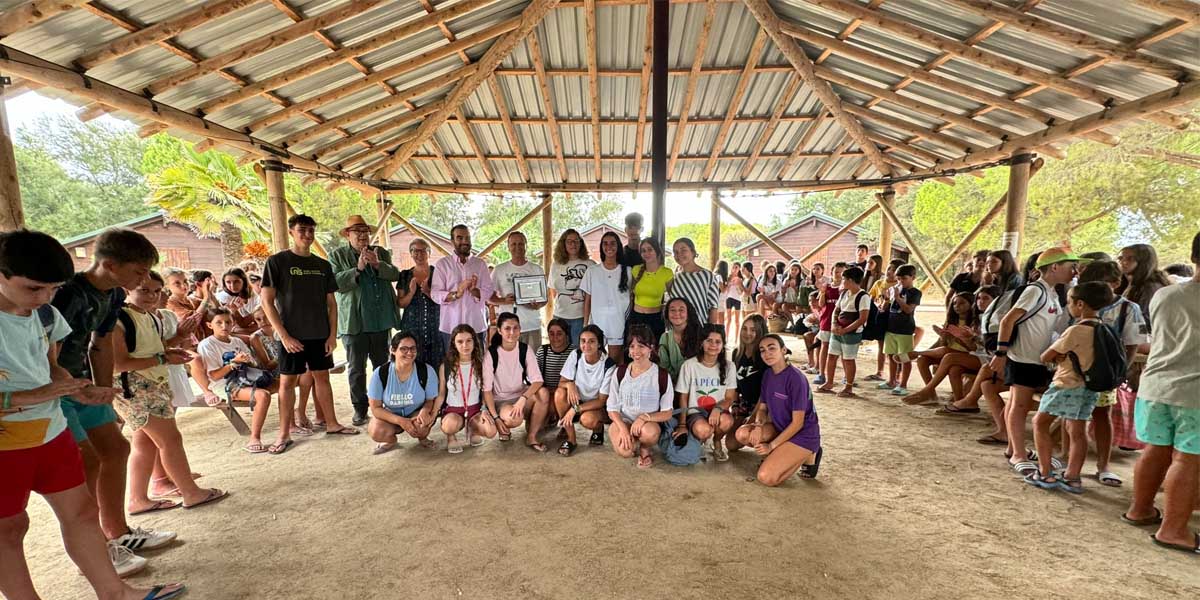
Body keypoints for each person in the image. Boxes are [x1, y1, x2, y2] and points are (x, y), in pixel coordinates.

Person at [1, 231, 187, 600]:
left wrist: (78, 390)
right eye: (34, 288)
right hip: (7, 442)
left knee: (83, 512)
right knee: (9, 528)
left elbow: (52, 366)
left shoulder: (46, 314)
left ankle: (114, 592)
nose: (45, 298)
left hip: (50, 430)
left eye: (53, 289)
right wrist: (30, 396)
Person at [49, 228, 177, 569]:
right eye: (138, 272)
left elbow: (100, 344)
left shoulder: (113, 295)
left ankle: (118, 532)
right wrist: (72, 386)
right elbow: (50, 351)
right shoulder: (69, 294)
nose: (143, 280)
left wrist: (104, 392)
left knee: (117, 449)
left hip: (85, 385)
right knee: (87, 461)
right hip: (59, 389)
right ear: (109, 265)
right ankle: (96, 548)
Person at [113, 273, 227, 515]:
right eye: (144, 290)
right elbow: (118, 363)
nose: (152, 296)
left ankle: (137, 498)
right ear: (127, 288)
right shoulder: (118, 319)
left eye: (156, 291)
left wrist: (178, 340)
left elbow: (154, 348)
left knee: (145, 442)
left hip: (154, 383)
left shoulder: (150, 317)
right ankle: (190, 492)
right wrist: (163, 358)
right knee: (170, 439)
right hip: (135, 387)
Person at [1122, 232, 1199, 554]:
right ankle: (1173, 529)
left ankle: (1140, 509)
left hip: (1155, 385)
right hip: (1193, 392)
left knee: (1155, 449)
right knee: (1188, 459)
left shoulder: (1165, 295)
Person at [260, 214, 357, 451]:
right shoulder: (277, 262)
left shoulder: (322, 265)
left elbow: (332, 304)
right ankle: (283, 433)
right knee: (287, 382)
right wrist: (284, 336)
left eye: (311, 230)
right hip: (291, 335)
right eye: (302, 230)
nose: (307, 234)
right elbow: (266, 302)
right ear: (291, 232)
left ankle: (332, 423)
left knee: (322, 378)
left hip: (319, 333)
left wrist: (332, 335)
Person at [989, 248, 1078, 475]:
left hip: (1034, 358)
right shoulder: (1035, 290)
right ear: (1055, 267)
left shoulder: (1051, 293)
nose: (1074, 271)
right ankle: (1018, 454)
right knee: (1020, 406)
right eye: (1071, 266)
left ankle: (1013, 448)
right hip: (1023, 357)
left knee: (1015, 403)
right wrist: (1001, 353)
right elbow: (1008, 320)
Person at [1026, 282, 1114, 493]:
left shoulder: (1076, 330)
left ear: (1080, 304)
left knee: (1040, 422)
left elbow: (1046, 356)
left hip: (1066, 384)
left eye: (1070, 302)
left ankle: (1045, 473)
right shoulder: (1105, 329)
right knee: (1078, 431)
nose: (1069, 307)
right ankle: (1073, 477)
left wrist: (1059, 356)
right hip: (1090, 388)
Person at [1077, 260, 1148, 486]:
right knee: (1071, 417)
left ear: (1116, 283)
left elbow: (1132, 344)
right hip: (1075, 372)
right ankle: (1068, 460)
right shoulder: (1079, 302)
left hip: (1105, 374)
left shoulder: (1128, 309)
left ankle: (1103, 465)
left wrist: (1119, 373)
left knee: (1102, 415)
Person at [330, 214, 401, 426]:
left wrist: (377, 264)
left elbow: (395, 274)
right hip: (354, 323)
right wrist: (358, 268)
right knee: (356, 369)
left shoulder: (381, 252)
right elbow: (335, 283)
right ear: (348, 235)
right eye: (357, 231)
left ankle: (385, 405)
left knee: (383, 366)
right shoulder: (337, 255)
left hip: (379, 321)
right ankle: (360, 409)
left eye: (365, 231)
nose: (362, 235)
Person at [735, 334, 822, 485]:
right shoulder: (768, 374)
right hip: (780, 428)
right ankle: (783, 452)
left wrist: (771, 446)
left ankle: (809, 453)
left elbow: (798, 423)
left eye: (772, 348)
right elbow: (762, 408)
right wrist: (758, 425)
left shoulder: (796, 379)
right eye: (762, 350)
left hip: (802, 434)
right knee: (742, 434)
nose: (767, 353)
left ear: (783, 350)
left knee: (766, 477)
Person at [199, 309, 281, 452]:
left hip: (246, 377)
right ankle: (254, 438)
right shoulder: (207, 345)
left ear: (233, 323)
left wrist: (249, 361)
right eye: (219, 323)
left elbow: (253, 365)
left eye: (228, 322)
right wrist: (234, 363)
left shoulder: (236, 341)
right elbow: (214, 376)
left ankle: (290, 424)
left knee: (285, 384)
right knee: (263, 395)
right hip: (225, 383)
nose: (224, 326)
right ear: (209, 325)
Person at [603, 324, 674, 469]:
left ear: (651, 348)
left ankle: (645, 448)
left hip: (648, 423)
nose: (636, 351)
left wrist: (644, 418)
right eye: (632, 346)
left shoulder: (661, 375)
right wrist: (623, 429)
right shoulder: (620, 372)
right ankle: (631, 440)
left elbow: (667, 413)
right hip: (624, 420)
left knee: (650, 433)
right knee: (626, 452)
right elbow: (611, 408)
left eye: (641, 346)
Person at [484, 313, 550, 451]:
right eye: (507, 328)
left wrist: (523, 398)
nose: (512, 332)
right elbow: (487, 390)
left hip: (520, 396)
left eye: (516, 328)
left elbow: (537, 381)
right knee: (514, 418)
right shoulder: (491, 354)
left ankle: (531, 436)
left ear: (520, 329)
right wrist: (496, 418)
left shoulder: (524, 349)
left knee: (543, 393)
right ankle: (504, 425)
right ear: (499, 330)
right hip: (501, 401)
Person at [427, 324, 497, 453]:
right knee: (450, 425)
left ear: (474, 342)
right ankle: (451, 437)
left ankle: (473, 429)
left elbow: (486, 391)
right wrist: (434, 413)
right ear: (454, 344)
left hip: (475, 410)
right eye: (460, 341)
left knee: (491, 431)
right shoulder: (446, 366)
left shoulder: (481, 364)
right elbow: (441, 394)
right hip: (453, 411)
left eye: (469, 340)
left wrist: (484, 409)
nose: (465, 345)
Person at [366, 331, 438, 455]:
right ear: (393, 350)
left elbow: (430, 400)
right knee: (376, 431)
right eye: (404, 349)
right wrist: (401, 421)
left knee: (422, 426)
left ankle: (423, 438)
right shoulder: (381, 373)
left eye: (413, 348)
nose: (409, 353)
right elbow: (375, 408)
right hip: (391, 414)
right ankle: (390, 441)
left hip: (415, 412)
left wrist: (425, 411)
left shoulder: (426, 370)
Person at [904, 292, 981, 406]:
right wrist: (943, 337)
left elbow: (973, 348)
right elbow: (943, 344)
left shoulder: (975, 323)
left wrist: (958, 339)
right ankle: (931, 395)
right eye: (954, 303)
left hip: (967, 355)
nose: (957, 306)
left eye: (961, 303)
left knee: (948, 355)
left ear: (971, 304)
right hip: (948, 353)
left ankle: (917, 355)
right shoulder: (951, 321)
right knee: (922, 359)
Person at [674, 325, 736, 462]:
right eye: (709, 340)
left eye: (718, 341)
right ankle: (700, 439)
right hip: (696, 412)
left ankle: (717, 441)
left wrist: (718, 408)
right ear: (702, 343)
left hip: (718, 411)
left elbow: (730, 397)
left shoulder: (729, 366)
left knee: (727, 421)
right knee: (703, 430)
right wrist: (682, 425)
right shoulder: (689, 365)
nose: (713, 345)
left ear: (723, 345)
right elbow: (683, 397)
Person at [553, 325, 616, 455]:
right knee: (559, 394)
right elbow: (561, 383)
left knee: (587, 419)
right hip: (578, 400)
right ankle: (571, 439)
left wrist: (574, 409)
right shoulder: (576, 355)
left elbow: (601, 401)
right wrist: (570, 384)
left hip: (596, 406)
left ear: (599, 344)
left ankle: (598, 428)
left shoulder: (608, 365)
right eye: (583, 341)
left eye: (591, 341)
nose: (586, 345)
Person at [432, 225, 493, 350]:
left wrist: (475, 291)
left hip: (476, 326)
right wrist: (457, 294)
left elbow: (488, 291)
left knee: (477, 361)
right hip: (451, 327)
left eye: (467, 238)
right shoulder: (443, 264)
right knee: (452, 361)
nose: (465, 241)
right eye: (460, 238)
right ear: (452, 241)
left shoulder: (480, 264)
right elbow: (435, 294)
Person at [817, 266, 870, 398]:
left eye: (844, 279)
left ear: (851, 280)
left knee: (848, 359)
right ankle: (829, 382)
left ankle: (849, 387)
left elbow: (862, 318)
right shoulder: (844, 294)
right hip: (838, 330)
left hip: (852, 333)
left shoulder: (863, 296)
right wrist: (834, 324)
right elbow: (836, 310)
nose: (842, 282)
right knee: (832, 356)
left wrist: (846, 330)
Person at [490, 231, 547, 348]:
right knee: (508, 359)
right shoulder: (499, 269)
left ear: (526, 246)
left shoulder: (537, 269)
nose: (517, 247)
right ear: (508, 247)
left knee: (531, 358)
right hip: (507, 328)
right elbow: (489, 298)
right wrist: (504, 301)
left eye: (521, 244)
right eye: (513, 244)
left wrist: (537, 305)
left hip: (531, 325)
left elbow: (544, 299)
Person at [582, 231, 630, 362]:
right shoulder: (592, 271)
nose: (609, 247)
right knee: (595, 361)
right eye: (605, 243)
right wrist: (585, 325)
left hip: (618, 324)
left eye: (613, 243)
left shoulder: (627, 271)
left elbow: (632, 298)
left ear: (618, 246)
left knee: (614, 363)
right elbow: (587, 300)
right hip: (597, 323)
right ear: (601, 247)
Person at [396, 238, 442, 367]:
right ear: (411, 253)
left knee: (437, 363)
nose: (419, 254)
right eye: (415, 251)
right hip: (411, 327)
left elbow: (445, 301)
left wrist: (427, 291)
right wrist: (411, 292)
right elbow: (400, 303)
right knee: (413, 363)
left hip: (436, 327)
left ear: (429, 253)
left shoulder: (438, 273)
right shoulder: (405, 275)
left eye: (423, 251)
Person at [879, 264, 921, 396]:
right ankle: (891, 380)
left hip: (905, 329)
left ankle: (903, 384)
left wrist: (898, 298)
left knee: (904, 357)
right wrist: (887, 299)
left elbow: (908, 310)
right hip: (891, 327)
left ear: (913, 277)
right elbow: (885, 308)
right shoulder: (895, 289)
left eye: (904, 278)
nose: (901, 281)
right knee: (891, 355)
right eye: (898, 279)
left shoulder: (915, 293)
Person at [549, 229, 595, 345]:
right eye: (569, 241)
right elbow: (553, 290)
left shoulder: (590, 265)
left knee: (578, 351)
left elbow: (594, 294)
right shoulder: (556, 265)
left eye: (576, 241)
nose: (573, 244)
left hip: (581, 318)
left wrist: (586, 321)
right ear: (563, 244)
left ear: (581, 243)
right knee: (560, 349)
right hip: (559, 317)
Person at [1115, 243, 1170, 330]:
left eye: (1130, 259)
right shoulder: (1122, 283)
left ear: (1144, 262)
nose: (1123, 262)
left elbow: (1144, 320)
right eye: (1120, 258)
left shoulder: (1150, 287)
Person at [864, 259, 901, 382]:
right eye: (889, 268)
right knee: (881, 344)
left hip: (893, 317)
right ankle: (880, 371)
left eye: (894, 270)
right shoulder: (879, 283)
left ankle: (896, 375)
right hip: (880, 316)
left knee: (893, 347)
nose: (890, 272)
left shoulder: (899, 286)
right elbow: (871, 298)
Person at [668, 238, 720, 324]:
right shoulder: (675, 278)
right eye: (675, 252)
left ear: (693, 252)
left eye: (683, 250)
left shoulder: (707, 276)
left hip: (700, 327)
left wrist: (711, 329)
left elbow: (713, 307)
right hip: (677, 328)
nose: (679, 254)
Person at [628, 238, 673, 339]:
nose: (646, 253)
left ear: (657, 251)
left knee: (655, 348)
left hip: (655, 319)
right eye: (643, 250)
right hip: (636, 318)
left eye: (650, 249)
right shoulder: (636, 270)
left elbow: (673, 297)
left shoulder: (667, 273)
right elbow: (630, 293)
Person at [658, 297, 703, 383]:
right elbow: (664, 367)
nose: (677, 313)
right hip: (674, 385)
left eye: (681, 310)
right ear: (667, 314)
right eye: (672, 310)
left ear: (688, 313)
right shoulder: (665, 337)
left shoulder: (700, 335)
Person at [535, 318, 574, 403]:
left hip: (565, 395)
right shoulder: (542, 351)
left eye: (559, 334)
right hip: (546, 393)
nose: (555, 337)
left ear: (566, 335)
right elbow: (535, 378)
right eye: (551, 334)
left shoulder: (574, 353)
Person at [811, 266, 838, 386]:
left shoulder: (846, 288)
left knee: (841, 350)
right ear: (831, 273)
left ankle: (844, 377)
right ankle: (821, 373)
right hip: (826, 320)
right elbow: (821, 304)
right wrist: (822, 292)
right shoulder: (827, 287)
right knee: (824, 345)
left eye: (841, 272)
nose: (838, 274)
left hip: (841, 322)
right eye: (836, 272)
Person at [215, 267, 257, 334]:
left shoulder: (254, 296)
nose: (232, 286)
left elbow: (259, 322)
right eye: (228, 282)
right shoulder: (222, 297)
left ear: (244, 281)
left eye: (236, 282)